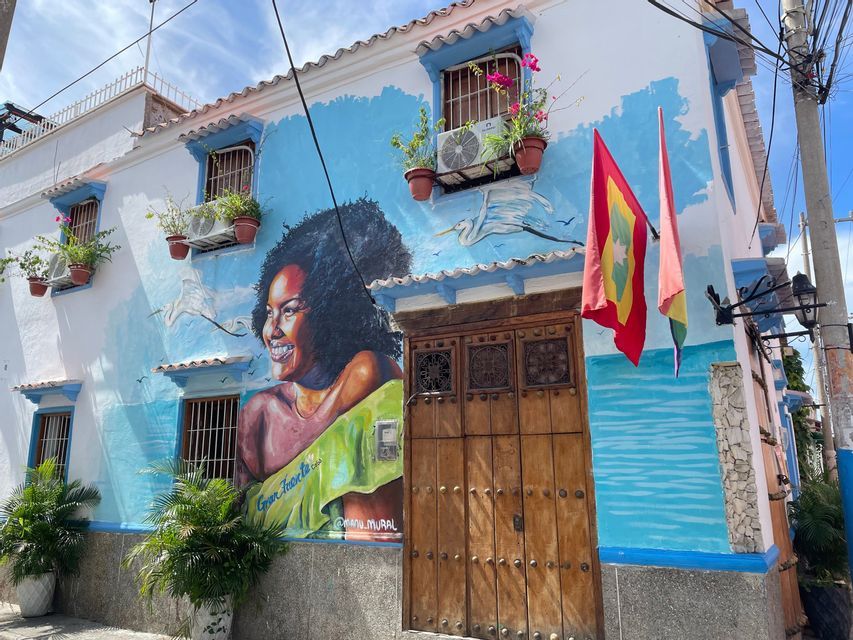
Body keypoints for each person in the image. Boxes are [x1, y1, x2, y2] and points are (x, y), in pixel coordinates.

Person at [237, 199, 412, 541]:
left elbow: (373, 537)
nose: (272, 330)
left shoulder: (367, 371)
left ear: (334, 312)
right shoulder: (258, 413)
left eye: (289, 311)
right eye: (269, 312)